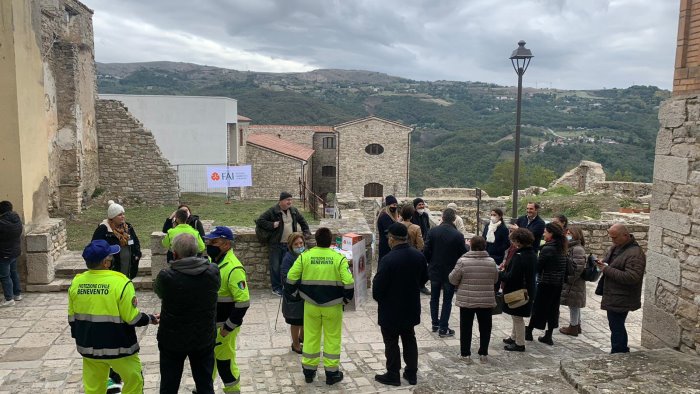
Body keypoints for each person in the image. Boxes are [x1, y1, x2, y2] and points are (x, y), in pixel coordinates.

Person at [68, 240, 159, 394]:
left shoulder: (77, 282)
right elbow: (132, 318)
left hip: (89, 347)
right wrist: (150, 318)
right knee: (134, 381)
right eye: (110, 256)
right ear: (105, 262)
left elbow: (72, 319)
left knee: (94, 387)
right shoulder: (121, 282)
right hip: (119, 347)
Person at [285, 227, 354, 386]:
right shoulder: (339, 258)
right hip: (333, 306)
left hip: (310, 305)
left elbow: (290, 278)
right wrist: (345, 300)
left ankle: (309, 372)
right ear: (330, 241)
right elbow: (349, 283)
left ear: (315, 240)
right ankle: (331, 373)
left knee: (310, 337)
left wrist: (296, 295)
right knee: (332, 338)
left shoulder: (305, 257)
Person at [154, 233, 220, 394]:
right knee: (205, 384)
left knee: (169, 385)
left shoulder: (166, 276)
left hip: (172, 339)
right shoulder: (213, 272)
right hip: (202, 337)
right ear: (197, 251)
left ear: (175, 254)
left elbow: (160, 293)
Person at [372, 223, 428, 386]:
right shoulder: (418, 256)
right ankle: (411, 374)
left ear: (392, 239)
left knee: (391, 342)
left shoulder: (388, 260)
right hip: (410, 306)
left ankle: (393, 374)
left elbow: (378, 288)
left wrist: (381, 298)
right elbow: (424, 278)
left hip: (390, 309)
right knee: (409, 339)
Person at [204, 226, 250, 393]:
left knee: (225, 363)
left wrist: (227, 328)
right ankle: (205, 388)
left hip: (224, 327)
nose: (209, 244)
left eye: (213, 241)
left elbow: (243, 302)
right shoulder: (214, 261)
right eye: (209, 241)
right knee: (209, 361)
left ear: (226, 244)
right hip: (211, 325)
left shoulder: (233, 268)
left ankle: (233, 390)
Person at [596, 223, 646, 354]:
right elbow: (612, 262)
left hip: (622, 297)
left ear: (625, 235)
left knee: (617, 326)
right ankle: (619, 351)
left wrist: (607, 269)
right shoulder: (618, 247)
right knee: (615, 325)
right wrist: (602, 262)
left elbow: (632, 277)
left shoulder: (635, 254)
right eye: (611, 237)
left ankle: (620, 352)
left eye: (615, 237)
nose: (612, 240)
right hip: (614, 295)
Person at [448, 236, 498, 363]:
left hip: (467, 299)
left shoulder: (462, 261)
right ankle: (483, 354)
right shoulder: (491, 262)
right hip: (486, 300)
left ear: (471, 245)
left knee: (466, 327)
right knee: (485, 328)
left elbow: (452, 279)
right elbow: (495, 279)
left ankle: (465, 354)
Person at [423, 208, 468, 337]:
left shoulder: (433, 231)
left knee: (434, 298)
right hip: (450, 271)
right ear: (454, 219)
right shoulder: (458, 235)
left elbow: (426, 251)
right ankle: (443, 327)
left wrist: (430, 263)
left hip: (435, 270)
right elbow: (462, 254)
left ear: (442, 217)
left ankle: (434, 323)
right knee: (447, 300)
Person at [257, 192, 311, 296]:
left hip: (290, 245)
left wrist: (306, 232)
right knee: (275, 267)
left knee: (287, 266)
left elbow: (302, 221)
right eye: (287, 200)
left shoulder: (293, 211)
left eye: (291, 200)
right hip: (276, 244)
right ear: (280, 201)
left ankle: (286, 286)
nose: (289, 202)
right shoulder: (273, 211)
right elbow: (260, 221)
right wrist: (272, 224)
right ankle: (276, 288)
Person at [526, 222, 568, 346]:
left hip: (546, 283)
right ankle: (548, 335)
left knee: (538, 308)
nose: (544, 234)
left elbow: (539, 266)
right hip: (558, 283)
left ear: (551, 233)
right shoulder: (562, 247)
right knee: (553, 309)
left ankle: (529, 331)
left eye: (545, 232)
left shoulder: (548, 248)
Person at [501, 228, 537, 352]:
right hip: (528, 290)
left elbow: (512, 276)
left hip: (518, 291)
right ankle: (513, 337)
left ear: (518, 241)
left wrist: (500, 274)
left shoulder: (519, 256)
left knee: (517, 317)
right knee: (515, 316)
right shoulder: (532, 254)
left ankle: (520, 343)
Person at [92, 200, 142, 279]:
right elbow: (95, 247)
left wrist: (137, 254)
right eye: (119, 215)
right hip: (113, 265)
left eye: (123, 214)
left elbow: (135, 241)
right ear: (112, 217)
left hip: (128, 263)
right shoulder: (103, 229)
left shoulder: (128, 226)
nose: (123, 216)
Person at [280, 232, 306, 354]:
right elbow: (285, 278)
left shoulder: (306, 255)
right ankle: (295, 344)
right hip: (294, 295)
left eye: (301, 243)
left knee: (305, 320)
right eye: (296, 244)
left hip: (305, 294)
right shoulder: (288, 259)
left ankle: (302, 338)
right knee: (296, 321)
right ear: (291, 246)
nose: (299, 246)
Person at [559, 226, 587, 336]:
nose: (567, 235)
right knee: (574, 304)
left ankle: (573, 326)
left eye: (570, 233)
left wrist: (568, 280)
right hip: (573, 281)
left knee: (574, 304)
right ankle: (576, 325)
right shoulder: (572, 247)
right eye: (567, 233)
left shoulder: (577, 249)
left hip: (575, 282)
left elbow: (577, 268)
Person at [0, 201, 23, 307]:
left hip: (4, 252)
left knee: (4, 276)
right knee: (14, 272)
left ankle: (9, 298)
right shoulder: (16, 218)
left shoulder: (2, 223)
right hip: (14, 251)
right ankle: (17, 294)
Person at [411, 198, 432, 295]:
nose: (421, 206)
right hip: (414, 245)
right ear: (415, 206)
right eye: (419, 205)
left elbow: (427, 228)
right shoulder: (412, 216)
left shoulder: (425, 215)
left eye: (422, 204)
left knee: (424, 266)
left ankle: (422, 285)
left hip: (425, 244)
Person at [376, 195, 399, 264]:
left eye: (396, 205)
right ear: (388, 205)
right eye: (393, 205)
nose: (395, 207)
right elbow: (388, 232)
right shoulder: (385, 217)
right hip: (386, 245)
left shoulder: (388, 216)